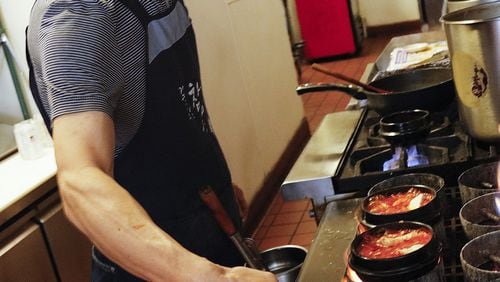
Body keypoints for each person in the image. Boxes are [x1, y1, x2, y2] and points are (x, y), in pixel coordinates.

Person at [26, 0, 276, 281]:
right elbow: (80, 181)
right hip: (156, 266)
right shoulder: (80, 15)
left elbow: (173, 114)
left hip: (209, 228)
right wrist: (210, 278)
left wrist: (214, 182)